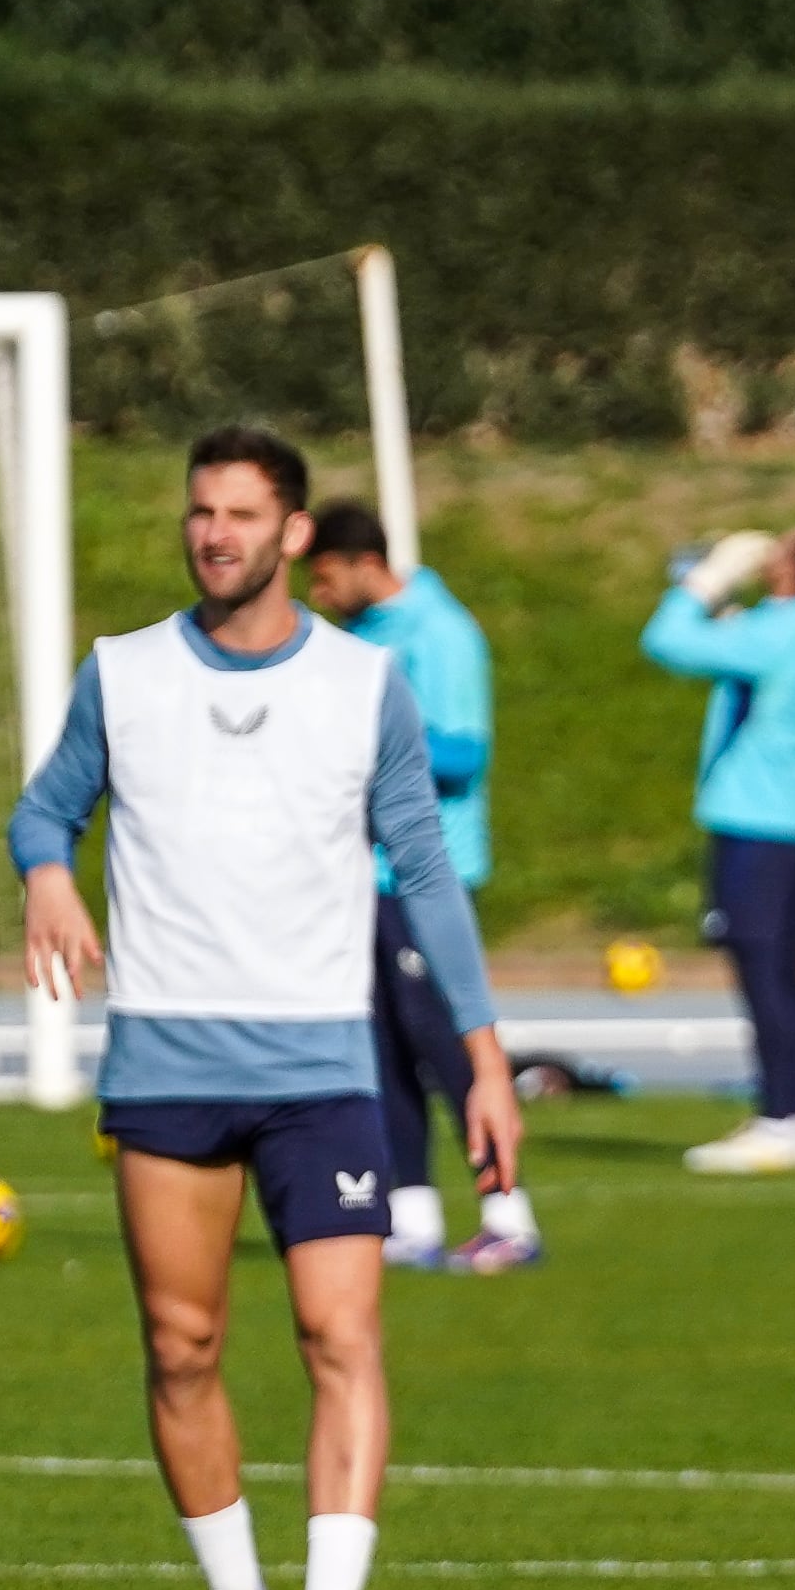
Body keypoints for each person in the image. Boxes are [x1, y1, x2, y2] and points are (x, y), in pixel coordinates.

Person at [15, 428, 522, 1590]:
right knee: (182, 1342)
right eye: (201, 512)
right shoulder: (122, 674)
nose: (216, 534)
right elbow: (43, 808)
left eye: (243, 513)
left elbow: (429, 872)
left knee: (338, 1332)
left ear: (295, 531)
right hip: (168, 1066)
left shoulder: (365, 684)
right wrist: (47, 880)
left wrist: (484, 1056)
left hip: (323, 1069)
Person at [305, 502, 538, 1273]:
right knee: (383, 1049)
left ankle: (509, 1211)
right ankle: (412, 1214)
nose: (318, 593)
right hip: (359, 874)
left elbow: (463, 753)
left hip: (426, 874)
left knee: (450, 1049)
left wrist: (355, 747)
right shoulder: (358, 638)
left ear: (361, 563)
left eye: (325, 576)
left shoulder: (440, 633)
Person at [641, 522, 795, 1176]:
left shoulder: (780, 629)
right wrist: (730, 614)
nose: (768, 551)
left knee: (761, 972)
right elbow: (753, 658)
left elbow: (664, 641)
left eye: (782, 547)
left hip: (754, 819)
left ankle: (779, 1119)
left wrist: (706, 582)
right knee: (785, 973)